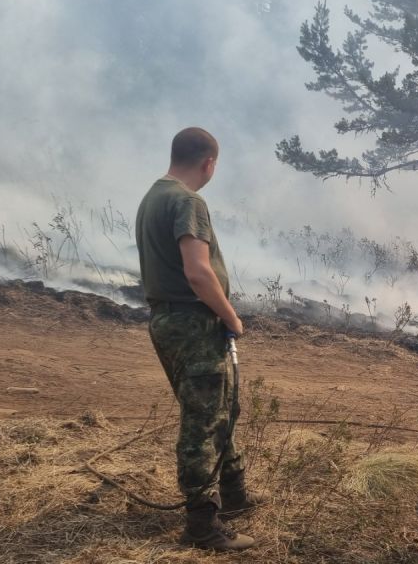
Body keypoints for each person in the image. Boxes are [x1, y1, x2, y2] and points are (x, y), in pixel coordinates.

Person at [134, 127, 260, 551]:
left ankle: (236, 497)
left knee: (221, 407)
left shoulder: (153, 196)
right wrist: (231, 316)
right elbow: (197, 271)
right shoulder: (188, 201)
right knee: (203, 422)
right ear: (208, 163)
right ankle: (202, 525)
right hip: (193, 322)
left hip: (167, 321)